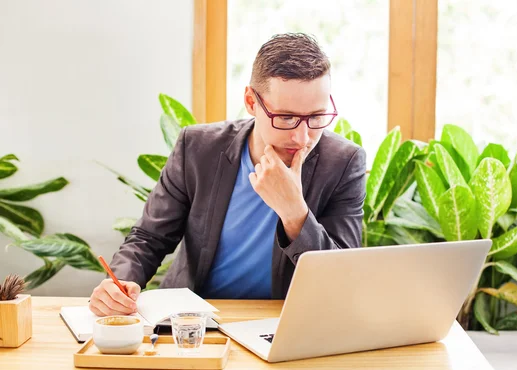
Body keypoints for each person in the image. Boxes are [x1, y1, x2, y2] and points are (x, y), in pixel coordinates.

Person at [89, 33, 367, 317]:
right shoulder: (197, 148)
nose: (302, 137)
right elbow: (150, 237)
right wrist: (122, 281)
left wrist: (294, 212)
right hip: (193, 320)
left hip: (282, 321)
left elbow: (339, 278)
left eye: (317, 117)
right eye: (285, 117)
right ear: (251, 101)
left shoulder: (343, 163)